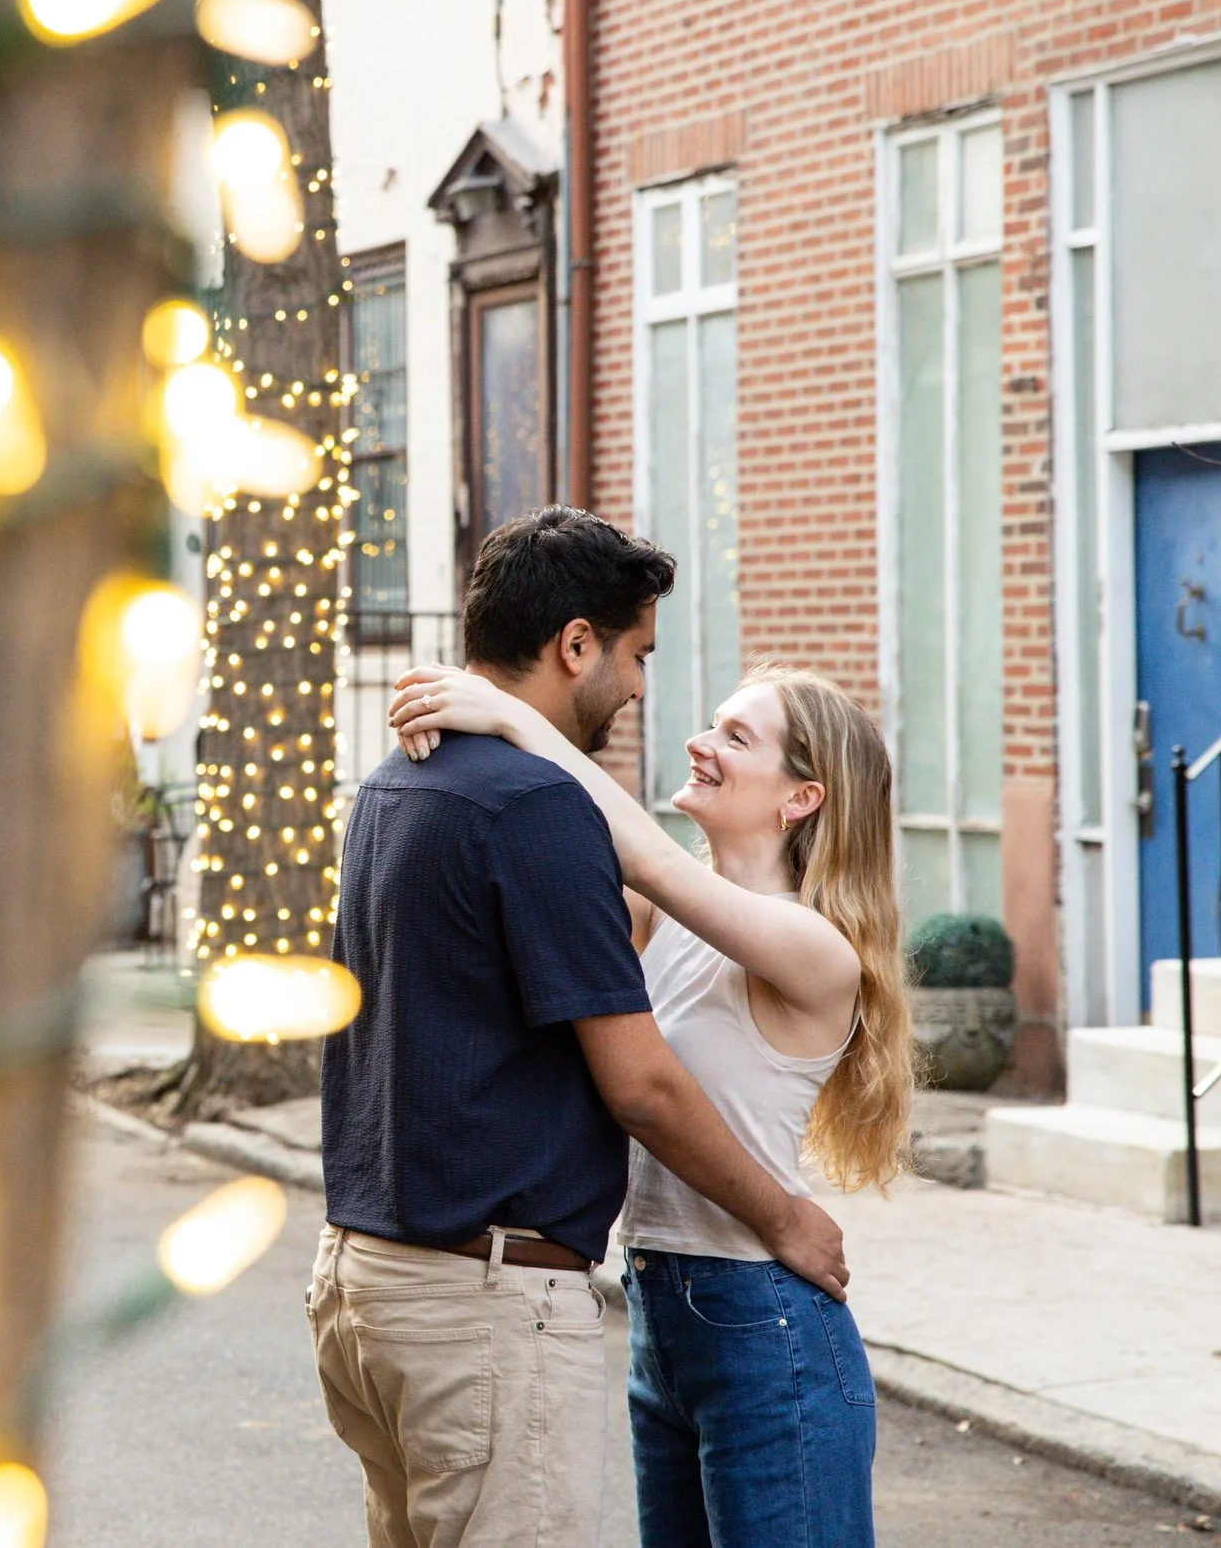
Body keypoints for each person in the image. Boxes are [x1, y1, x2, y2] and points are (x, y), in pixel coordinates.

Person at [309, 506, 850, 1548]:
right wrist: (785, 1218)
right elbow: (639, 1081)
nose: (643, 690)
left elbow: (638, 860)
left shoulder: (391, 785)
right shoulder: (534, 811)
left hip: (369, 1280)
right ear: (574, 644)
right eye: (636, 653)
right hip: (484, 1296)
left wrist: (505, 720)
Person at [388, 643, 913, 1545]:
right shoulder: (665, 916)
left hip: (766, 1326)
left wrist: (512, 714)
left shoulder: (816, 948)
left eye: (736, 736)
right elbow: (562, 854)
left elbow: (645, 855)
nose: (700, 741)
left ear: (802, 796)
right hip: (656, 1314)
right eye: (714, 722)